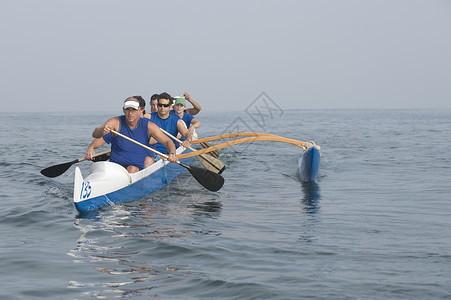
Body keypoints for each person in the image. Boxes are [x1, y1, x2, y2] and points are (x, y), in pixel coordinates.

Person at [85, 96, 178, 173]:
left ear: (139, 110)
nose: (130, 113)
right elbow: (96, 135)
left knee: (132, 169)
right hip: (116, 167)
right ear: (123, 110)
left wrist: (172, 153)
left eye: (133, 110)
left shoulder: (149, 126)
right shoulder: (115, 122)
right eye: (127, 110)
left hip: (135, 168)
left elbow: (167, 141)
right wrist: (91, 147)